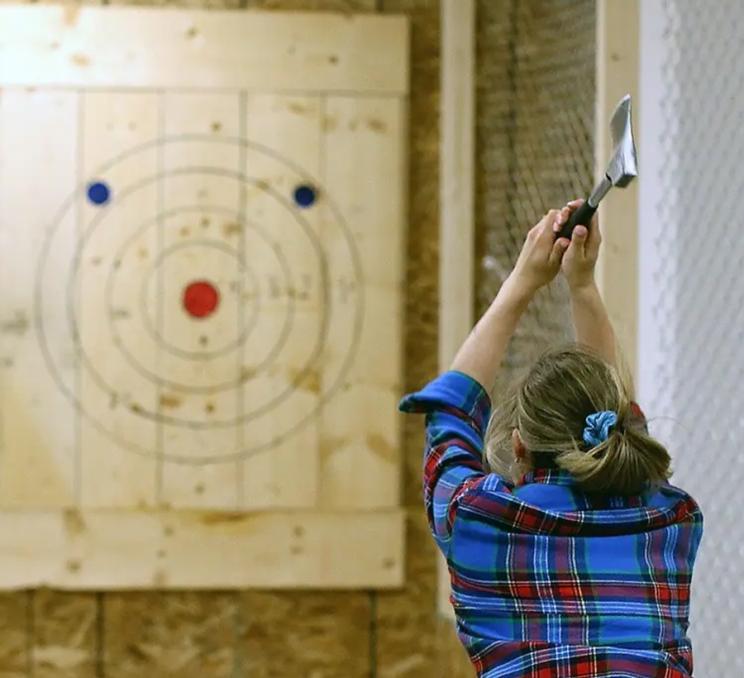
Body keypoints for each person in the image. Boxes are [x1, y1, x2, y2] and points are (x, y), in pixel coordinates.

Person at [399, 201, 703, 677]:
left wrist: (521, 283)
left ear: (518, 445)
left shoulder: (476, 515)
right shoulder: (671, 521)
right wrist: (582, 286)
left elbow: (450, 413)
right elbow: (620, 423)